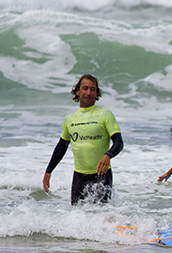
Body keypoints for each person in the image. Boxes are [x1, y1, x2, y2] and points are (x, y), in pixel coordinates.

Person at [43, 74, 124, 205]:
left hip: (102, 176)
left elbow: (119, 142)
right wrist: (48, 171)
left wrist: (108, 155)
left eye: (93, 89)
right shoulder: (70, 119)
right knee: (78, 215)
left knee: (101, 215)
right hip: (79, 177)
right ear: (77, 91)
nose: (88, 92)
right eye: (85, 88)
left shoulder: (105, 114)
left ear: (97, 93)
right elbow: (61, 147)